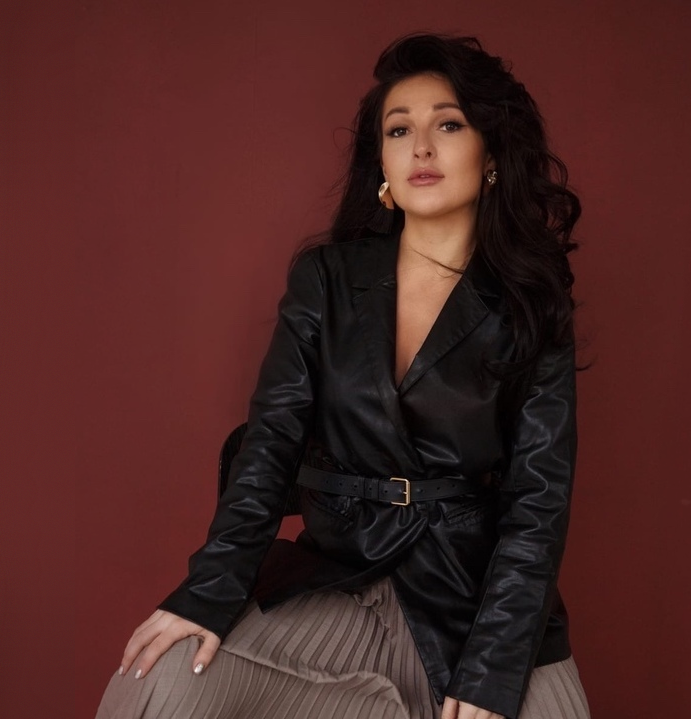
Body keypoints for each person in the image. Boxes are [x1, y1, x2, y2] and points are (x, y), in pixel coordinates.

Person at [95, 33, 588, 719]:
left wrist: (492, 670)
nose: (421, 148)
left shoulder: (532, 305)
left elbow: (539, 503)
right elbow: (269, 447)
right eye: (399, 130)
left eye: (448, 125)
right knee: (162, 676)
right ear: (381, 163)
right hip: (339, 577)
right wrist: (208, 591)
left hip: (472, 598)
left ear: (492, 154)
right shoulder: (325, 280)